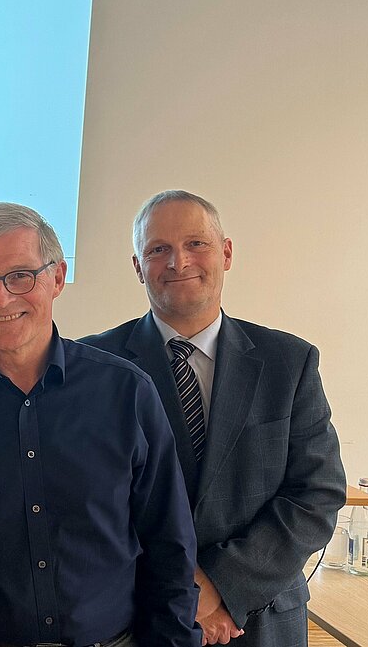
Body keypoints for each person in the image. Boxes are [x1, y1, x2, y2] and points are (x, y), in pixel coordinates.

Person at [0, 202, 199, 647]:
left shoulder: (126, 393)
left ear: (57, 277)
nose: (0, 298)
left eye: (20, 276)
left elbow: (169, 544)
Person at [80, 190, 344, 646]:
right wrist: (182, 591)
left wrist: (220, 585)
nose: (178, 261)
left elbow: (317, 493)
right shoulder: (93, 366)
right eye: (158, 249)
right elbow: (83, 503)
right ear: (138, 267)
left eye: (196, 244)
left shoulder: (289, 361)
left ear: (226, 253)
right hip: (138, 621)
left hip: (261, 620)